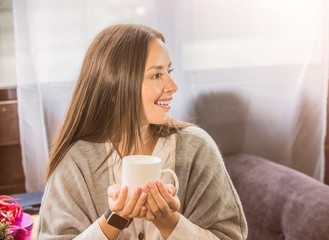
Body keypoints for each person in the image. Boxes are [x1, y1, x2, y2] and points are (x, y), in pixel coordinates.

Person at [37, 24, 248, 240]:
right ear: (115, 88)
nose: (172, 86)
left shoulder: (197, 149)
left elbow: (230, 236)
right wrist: (115, 219)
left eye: (169, 71)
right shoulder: (76, 161)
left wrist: (170, 222)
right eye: (156, 75)